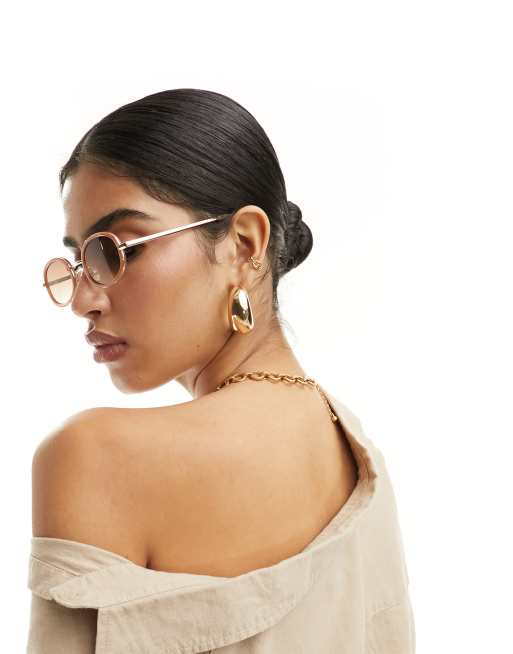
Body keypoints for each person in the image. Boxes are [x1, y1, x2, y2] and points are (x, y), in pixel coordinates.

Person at [28, 88, 415, 653]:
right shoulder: (359, 457)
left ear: (243, 244)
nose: (84, 299)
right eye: (79, 258)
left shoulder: (93, 456)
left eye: (117, 250)